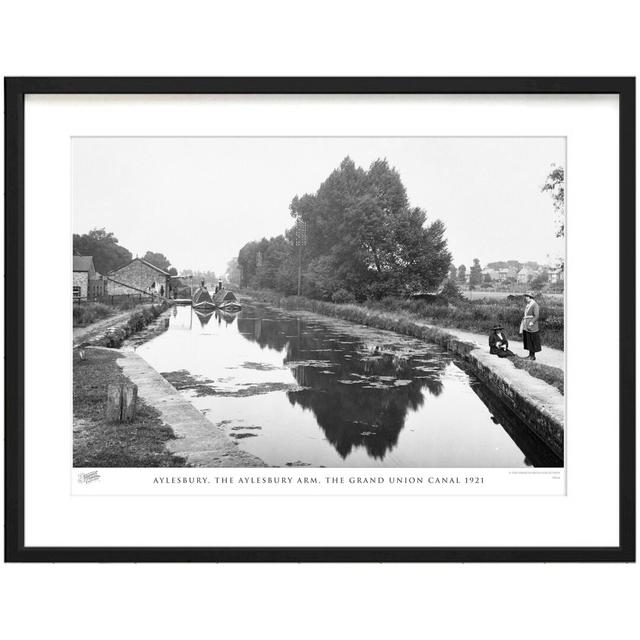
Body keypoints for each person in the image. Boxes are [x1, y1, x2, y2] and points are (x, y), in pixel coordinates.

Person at [520, 291, 541, 360]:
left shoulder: (535, 305)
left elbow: (536, 316)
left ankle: (532, 356)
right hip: (526, 324)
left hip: (532, 325)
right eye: (526, 296)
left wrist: (531, 323)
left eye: (527, 296)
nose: (526, 298)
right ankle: (530, 355)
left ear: (531, 297)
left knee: (532, 340)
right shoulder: (528, 305)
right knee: (528, 340)